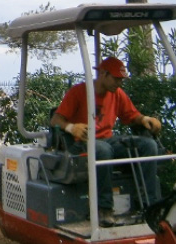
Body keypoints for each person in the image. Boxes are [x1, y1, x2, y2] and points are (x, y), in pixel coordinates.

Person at [50, 56, 162, 225]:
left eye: (121, 80)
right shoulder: (79, 91)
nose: (119, 83)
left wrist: (145, 119)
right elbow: (56, 120)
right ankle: (104, 209)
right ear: (103, 74)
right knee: (102, 150)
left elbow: (131, 115)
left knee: (148, 145)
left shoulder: (117, 94)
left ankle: (150, 206)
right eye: (116, 79)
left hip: (107, 141)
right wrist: (72, 128)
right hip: (80, 144)